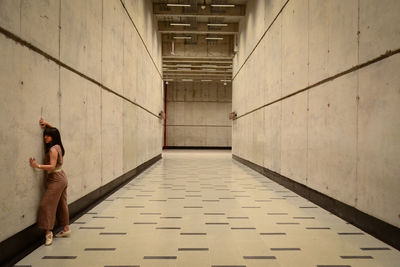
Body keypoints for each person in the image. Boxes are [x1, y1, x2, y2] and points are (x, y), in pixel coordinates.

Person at [29, 118, 71, 246]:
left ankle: (48, 233)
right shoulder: (58, 146)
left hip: (56, 179)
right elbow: (56, 133)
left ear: (52, 137)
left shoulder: (52, 150)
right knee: (61, 204)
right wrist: (48, 125)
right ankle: (66, 229)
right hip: (62, 177)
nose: (45, 137)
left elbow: (52, 166)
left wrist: (37, 166)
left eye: (47, 135)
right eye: (45, 135)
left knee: (46, 205)